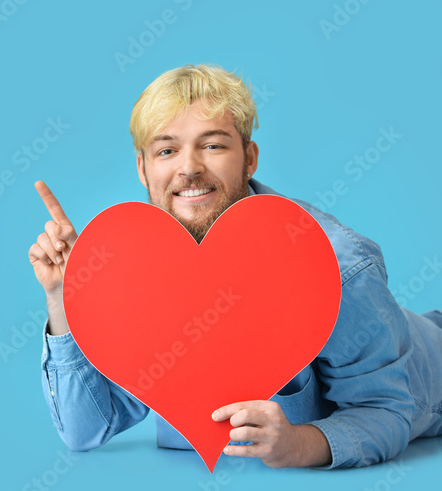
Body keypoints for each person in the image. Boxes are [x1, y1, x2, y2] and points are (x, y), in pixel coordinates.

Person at [27, 64, 442, 469]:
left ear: (250, 157)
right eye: (167, 150)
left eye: (213, 145)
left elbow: (388, 410)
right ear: (143, 169)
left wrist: (298, 444)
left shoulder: (337, 263)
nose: (189, 168)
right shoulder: (134, 274)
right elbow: (84, 432)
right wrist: (64, 298)